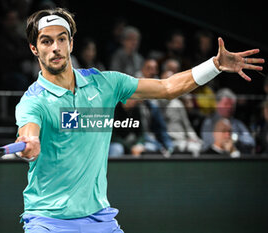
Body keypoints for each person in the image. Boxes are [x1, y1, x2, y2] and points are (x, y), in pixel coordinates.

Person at [15, 8, 264, 232]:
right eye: (46, 41)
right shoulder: (33, 101)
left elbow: (167, 88)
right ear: (34, 49)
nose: (55, 48)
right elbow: (28, 131)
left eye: (61, 39)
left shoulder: (104, 83)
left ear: (71, 43)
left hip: (99, 218)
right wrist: (30, 142)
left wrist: (216, 65)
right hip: (48, 221)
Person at [200, 88, 255, 153]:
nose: (229, 107)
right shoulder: (209, 122)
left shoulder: (237, 123)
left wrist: (235, 140)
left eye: (231, 105)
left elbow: (250, 142)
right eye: (226, 104)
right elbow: (207, 143)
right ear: (217, 104)